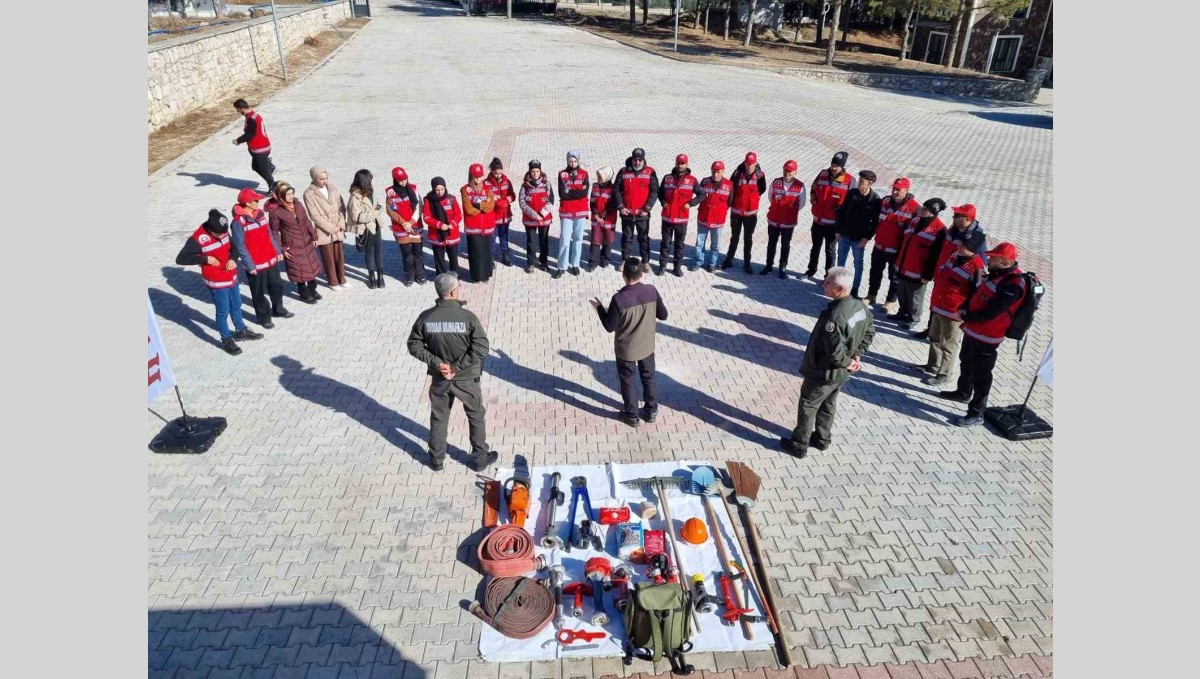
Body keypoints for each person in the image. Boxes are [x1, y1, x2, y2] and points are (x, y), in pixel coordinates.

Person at [406, 273, 499, 472]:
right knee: (475, 415)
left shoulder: (426, 317)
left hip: (440, 379)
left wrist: (438, 364)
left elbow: (414, 345)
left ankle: (436, 460)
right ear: (454, 291)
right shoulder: (468, 318)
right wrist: (456, 367)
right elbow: (481, 348)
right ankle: (480, 457)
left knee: (439, 417)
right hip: (466, 378)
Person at [780, 267, 875, 459]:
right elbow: (869, 332)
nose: (823, 285)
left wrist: (849, 361)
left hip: (823, 371)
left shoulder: (835, 318)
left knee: (808, 405)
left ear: (839, 288)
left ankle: (799, 444)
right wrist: (857, 355)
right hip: (839, 374)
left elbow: (834, 352)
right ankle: (822, 439)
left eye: (828, 283)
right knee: (828, 404)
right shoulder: (860, 307)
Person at [939, 242, 1028, 427]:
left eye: (993, 257)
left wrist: (968, 316)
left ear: (1004, 261)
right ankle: (963, 393)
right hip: (973, 330)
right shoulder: (997, 274)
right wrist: (963, 308)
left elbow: (992, 312)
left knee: (981, 374)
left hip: (988, 336)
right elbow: (976, 294)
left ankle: (976, 413)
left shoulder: (1013, 284)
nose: (989, 259)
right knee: (966, 362)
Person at [590, 258, 669, 427]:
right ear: (641, 274)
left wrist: (599, 308)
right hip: (647, 346)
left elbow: (609, 326)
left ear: (624, 276)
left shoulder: (619, 299)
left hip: (626, 350)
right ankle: (651, 410)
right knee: (649, 377)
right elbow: (663, 315)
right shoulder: (652, 291)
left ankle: (632, 415)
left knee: (628, 381)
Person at [175, 209, 263, 355]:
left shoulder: (221, 230)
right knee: (223, 311)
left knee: (236, 304)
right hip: (216, 280)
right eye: (220, 234)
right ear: (210, 229)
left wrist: (232, 259)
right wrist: (205, 259)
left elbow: (234, 248)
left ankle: (240, 330)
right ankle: (226, 339)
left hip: (231, 275)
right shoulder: (197, 239)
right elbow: (181, 259)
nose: (223, 235)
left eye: (224, 233)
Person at [912, 203, 986, 339]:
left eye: (958, 215)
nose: (954, 217)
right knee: (935, 303)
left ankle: (943, 336)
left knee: (945, 308)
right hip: (943, 273)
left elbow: (981, 263)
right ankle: (931, 329)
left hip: (957, 282)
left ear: (968, 219)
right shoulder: (953, 229)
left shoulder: (976, 237)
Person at [922, 230, 986, 387]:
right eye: (960, 243)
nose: (959, 246)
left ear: (972, 249)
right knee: (935, 337)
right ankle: (933, 365)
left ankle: (944, 374)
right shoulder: (955, 256)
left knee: (948, 344)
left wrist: (964, 312)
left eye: (963, 245)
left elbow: (976, 295)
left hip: (954, 313)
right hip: (939, 306)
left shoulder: (977, 268)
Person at [231, 187, 290, 327]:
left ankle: (278, 309)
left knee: (276, 285)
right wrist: (249, 265)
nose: (258, 202)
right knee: (258, 293)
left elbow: (269, 235)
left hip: (270, 259)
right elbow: (240, 246)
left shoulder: (261, 215)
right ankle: (264, 317)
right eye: (255, 200)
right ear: (247, 203)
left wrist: (277, 251)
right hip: (256, 264)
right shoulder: (238, 222)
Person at [890, 198, 947, 329]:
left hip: (918, 270)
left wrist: (927, 275)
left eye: (925, 209)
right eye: (923, 207)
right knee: (902, 291)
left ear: (932, 212)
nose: (921, 209)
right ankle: (902, 312)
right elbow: (904, 240)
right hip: (903, 265)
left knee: (915, 296)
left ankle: (913, 318)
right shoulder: (915, 220)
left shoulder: (939, 230)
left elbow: (936, 256)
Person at [267, 181, 324, 305]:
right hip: (292, 246)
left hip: (306, 242)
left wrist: (314, 236)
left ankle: (313, 289)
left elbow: (306, 221)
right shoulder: (275, 212)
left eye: (292, 193)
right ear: (280, 195)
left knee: (312, 268)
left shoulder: (298, 204)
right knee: (299, 272)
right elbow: (274, 232)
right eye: (288, 194)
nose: (291, 197)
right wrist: (280, 249)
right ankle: (304, 294)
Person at [867, 177, 919, 311]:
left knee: (894, 277)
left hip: (896, 251)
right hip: (879, 246)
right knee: (875, 272)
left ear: (907, 190)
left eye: (898, 190)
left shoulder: (914, 208)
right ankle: (871, 295)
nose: (895, 192)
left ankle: (890, 300)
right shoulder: (885, 201)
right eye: (894, 189)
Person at [805, 152, 853, 279]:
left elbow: (851, 203)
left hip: (833, 224)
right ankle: (811, 270)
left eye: (836, 166)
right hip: (818, 220)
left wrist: (842, 217)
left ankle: (828, 276)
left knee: (830, 251)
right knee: (815, 248)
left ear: (842, 167)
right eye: (832, 165)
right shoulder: (823, 174)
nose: (833, 168)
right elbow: (813, 189)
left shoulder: (849, 180)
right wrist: (814, 204)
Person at [834, 170, 881, 299]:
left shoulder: (875, 200)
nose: (859, 183)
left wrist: (867, 238)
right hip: (845, 235)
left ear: (869, 183)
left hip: (859, 239)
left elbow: (875, 222)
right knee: (840, 262)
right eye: (859, 180)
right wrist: (838, 230)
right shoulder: (852, 193)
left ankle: (854, 289)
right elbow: (842, 212)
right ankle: (838, 286)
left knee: (858, 265)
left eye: (862, 181)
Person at [614, 148, 659, 272]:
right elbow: (616, 190)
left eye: (640, 160)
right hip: (627, 213)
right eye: (635, 160)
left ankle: (645, 262)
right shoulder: (623, 171)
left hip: (642, 214)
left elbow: (655, 191)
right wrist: (621, 207)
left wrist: (647, 208)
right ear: (632, 159)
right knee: (626, 238)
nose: (637, 162)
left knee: (643, 238)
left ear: (643, 159)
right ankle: (624, 260)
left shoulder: (650, 172)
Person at [304, 166, 348, 291]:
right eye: (321, 179)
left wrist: (341, 223)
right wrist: (330, 227)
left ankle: (342, 278)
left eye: (326, 178)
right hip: (324, 230)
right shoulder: (309, 193)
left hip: (337, 227)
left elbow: (341, 206)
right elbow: (314, 215)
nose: (325, 181)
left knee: (339, 255)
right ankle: (333, 281)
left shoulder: (332, 188)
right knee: (328, 257)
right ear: (314, 178)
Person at [721, 151, 766, 273]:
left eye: (751, 164)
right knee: (734, 237)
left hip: (750, 214)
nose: (749, 166)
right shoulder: (737, 173)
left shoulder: (760, 175)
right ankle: (729, 259)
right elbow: (731, 188)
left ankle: (747, 263)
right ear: (744, 162)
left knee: (748, 238)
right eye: (747, 164)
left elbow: (762, 189)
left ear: (755, 163)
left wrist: (752, 201)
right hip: (736, 211)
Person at [656, 153, 701, 277]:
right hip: (667, 217)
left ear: (686, 164)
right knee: (665, 243)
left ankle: (677, 267)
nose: (680, 165)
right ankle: (662, 266)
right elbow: (659, 193)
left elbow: (701, 195)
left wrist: (691, 203)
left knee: (679, 245)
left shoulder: (692, 180)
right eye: (678, 163)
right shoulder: (667, 178)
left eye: (682, 163)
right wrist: (663, 202)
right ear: (675, 163)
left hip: (681, 219)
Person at [761, 160, 807, 279]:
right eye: (786, 170)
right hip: (774, 220)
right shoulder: (776, 183)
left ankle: (782, 267)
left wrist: (789, 212)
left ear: (795, 172)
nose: (787, 173)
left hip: (788, 222)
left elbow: (801, 204)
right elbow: (771, 197)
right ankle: (768, 265)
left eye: (790, 171)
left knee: (785, 245)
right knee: (771, 243)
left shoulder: (800, 186)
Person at [385, 167, 427, 287]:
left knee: (418, 253)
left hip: (415, 227)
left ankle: (421, 275)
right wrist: (404, 223)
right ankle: (409, 276)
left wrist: (411, 222)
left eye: (405, 179)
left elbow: (419, 206)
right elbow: (390, 210)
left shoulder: (414, 188)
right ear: (395, 180)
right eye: (400, 180)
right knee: (407, 254)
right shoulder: (390, 192)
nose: (403, 182)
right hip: (400, 228)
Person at [347, 169, 387, 289]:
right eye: (370, 180)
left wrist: (378, 208)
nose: (371, 182)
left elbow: (377, 204)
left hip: (376, 226)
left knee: (379, 251)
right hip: (365, 229)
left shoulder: (370, 191)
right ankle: (371, 276)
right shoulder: (355, 197)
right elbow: (356, 216)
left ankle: (380, 275)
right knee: (369, 253)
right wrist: (374, 213)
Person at [692, 160, 731, 273]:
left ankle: (712, 264)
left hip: (718, 220)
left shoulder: (729, 185)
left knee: (715, 245)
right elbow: (699, 196)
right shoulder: (705, 182)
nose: (715, 174)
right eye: (713, 171)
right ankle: (699, 262)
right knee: (700, 243)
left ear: (723, 171)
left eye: (718, 172)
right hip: (703, 218)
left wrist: (720, 211)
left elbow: (729, 201)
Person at [555, 150, 590, 278]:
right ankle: (561, 266)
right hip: (566, 211)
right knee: (564, 239)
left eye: (575, 161)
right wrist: (577, 193)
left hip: (580, 211)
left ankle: (575, 264)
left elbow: (584, 193)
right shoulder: (562, 174)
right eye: (570, 160)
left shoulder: (584, 174)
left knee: (578, 239)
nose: (573, 163)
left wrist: (570, 193)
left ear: (578, 161)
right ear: (567, 160)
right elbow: (562, 194)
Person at [461, 163, 497, 283]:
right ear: (471, 176)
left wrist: (477, 205)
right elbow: (468, 209)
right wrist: (482, 206)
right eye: (475, 176)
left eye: (479, 176)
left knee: (486, 252)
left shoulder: (488, 188)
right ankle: (476, 276)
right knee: (475, 253)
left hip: (487, 226)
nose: (477, 179)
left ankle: (486, 275)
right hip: (473, 227)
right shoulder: (465, 190)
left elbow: (490, 206)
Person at [518, 160, 554, 273]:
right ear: (529, 172)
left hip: (544, 219)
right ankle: (531, 263)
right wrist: (534, 215)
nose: (535, 173)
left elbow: (551, 201)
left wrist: (542, 214)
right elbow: (522, 203)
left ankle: (544, 262)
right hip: (530, 220)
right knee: (531, 242)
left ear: (540, 171)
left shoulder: (546, 184)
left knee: (544, 241)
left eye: (537, 171)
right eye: (532, 171)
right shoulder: (525, 186)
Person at [232, 99, 275, 191]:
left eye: (238, 109)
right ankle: (269, 165)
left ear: (242, 108)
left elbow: (250, 134)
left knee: (264, 170)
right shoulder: (254, 115)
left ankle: (273, 188)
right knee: (255, 167)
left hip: (260, 149)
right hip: (261, 147)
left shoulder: (251, 119)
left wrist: (238, 140)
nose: (238, 111)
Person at [422, 177, 462, 275]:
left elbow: (458, 214)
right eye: (437, 190)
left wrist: (453, 223)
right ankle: (441, 278)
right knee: (439, 259)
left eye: (442, 189)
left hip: (451, 233)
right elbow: (426, 217)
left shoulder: (451, 198)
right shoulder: (428, 200)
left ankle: (455, 278)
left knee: (453, 259)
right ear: (433, 189)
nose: (440, 192)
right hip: (436, 234)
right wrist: (439, 225)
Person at [483, 158, 517, 267]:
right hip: (492, 216)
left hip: (505, 215)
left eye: (500, 173)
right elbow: (482, 198)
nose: (499, 175)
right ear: (491, 171)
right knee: (492, 238)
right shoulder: (486, 183)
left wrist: (508, 199)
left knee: (504, 237)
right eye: (496, 173)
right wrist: (492, 198)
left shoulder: (507, 181)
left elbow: (513, 195)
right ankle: (490, 259)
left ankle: (505, 256)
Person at [588, 165, 618, 270]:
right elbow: (592, 202)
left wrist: (604, 214)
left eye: (600, 177)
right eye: (598, 176)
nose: (598, 179)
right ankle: (593, 262)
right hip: (596, 217)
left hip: (609, 217)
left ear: (607, 176)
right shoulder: (595, 186)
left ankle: (605, 260)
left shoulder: (613, 188)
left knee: (608, 239)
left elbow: (614, 204)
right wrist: (595, 214)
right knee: (595, 240)